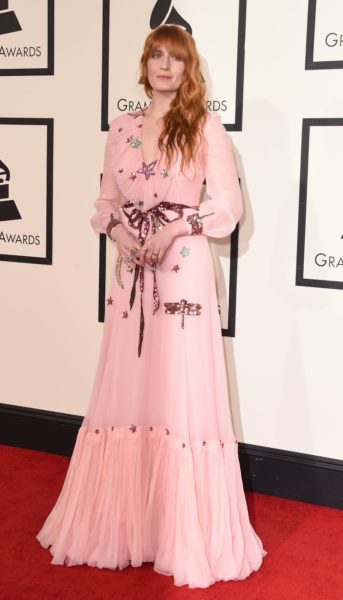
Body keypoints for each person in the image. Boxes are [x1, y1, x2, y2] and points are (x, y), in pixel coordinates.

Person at [36, 24, 267, 589]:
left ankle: (181, 530)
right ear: (146, 64)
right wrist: (120, 233)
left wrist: (177, 228)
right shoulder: (120, 128)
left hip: (183, 270)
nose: (165, 66)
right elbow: (105, 201)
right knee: (130, 387)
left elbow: (228, 203)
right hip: (131, 274)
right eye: (156, 56)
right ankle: (126, 526)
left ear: (190, 69)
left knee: (180, 389)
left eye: (176, 58)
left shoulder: (204, 126)